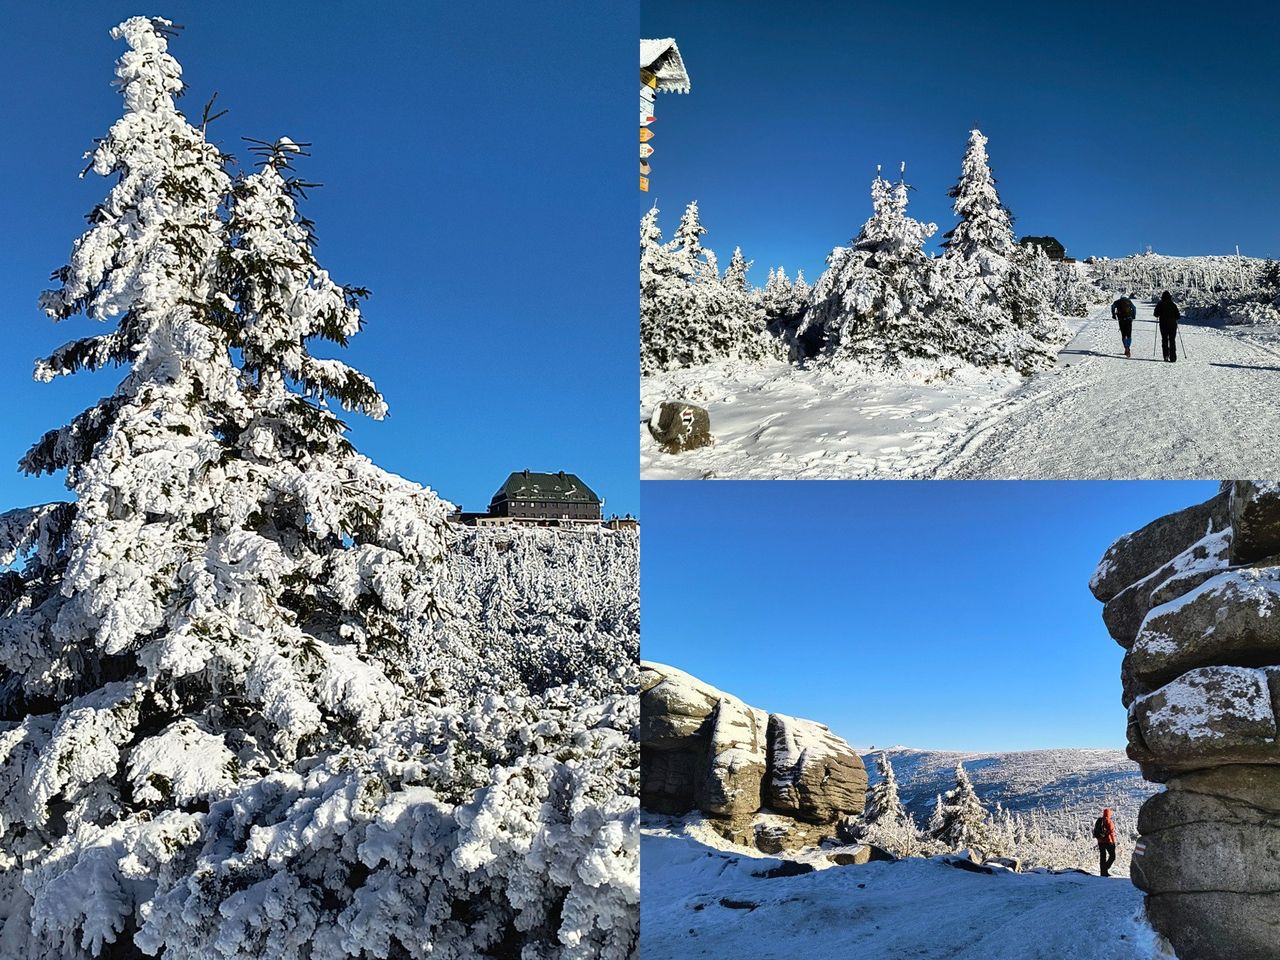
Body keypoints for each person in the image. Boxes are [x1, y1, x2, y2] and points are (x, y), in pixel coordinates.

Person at [1155, 290, 1181, 362]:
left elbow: (1155, 314)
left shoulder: (1160, 304)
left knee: (1164, 340)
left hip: (1163, 325)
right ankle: (1173, 357)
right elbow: (1178, 316)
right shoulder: (1173, 304)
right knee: (1172, 340)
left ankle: (1165, 356)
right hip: (1172, 325)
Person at [1093, 808, 1117, 876]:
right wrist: (1113, 842)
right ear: (1110, 814)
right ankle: (1105, 869)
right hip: (1108, 841)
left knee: (1102, 857)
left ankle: (1103, 872)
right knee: (1112, 856)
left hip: (1100, 841)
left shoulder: (1100, 820)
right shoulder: (1109, 821)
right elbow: (1111, 832)